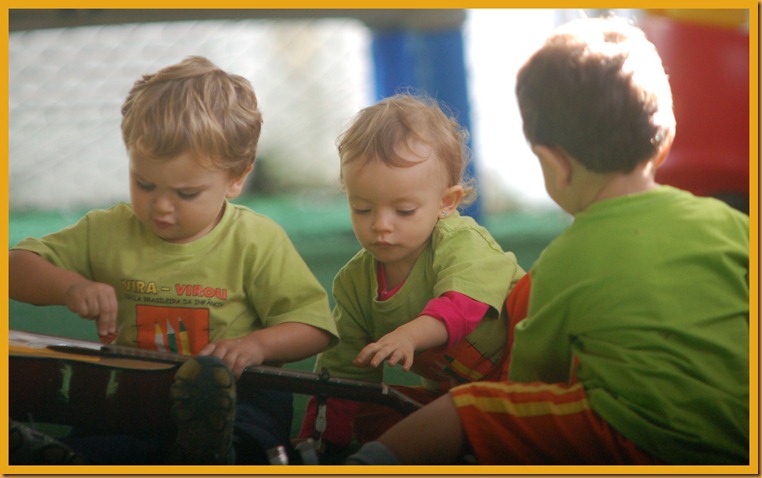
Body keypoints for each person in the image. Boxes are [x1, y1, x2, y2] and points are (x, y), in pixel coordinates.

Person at [345, 17, 750, 465]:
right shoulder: (728, 221)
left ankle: (367, 464)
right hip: (741, 432)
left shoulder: (567, 258)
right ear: (666, 140)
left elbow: (531, 379)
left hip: (635, 437)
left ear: (555, 165)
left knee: (468, 410)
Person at [8, 56, 339, 465]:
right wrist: (68, 286)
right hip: (131, 403)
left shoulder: (256, 240)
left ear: (236, 179)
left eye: (186, 194)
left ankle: (213, 454)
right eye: (144, 184)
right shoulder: (107, 230)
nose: (161, 207)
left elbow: (314, 327)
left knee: (249, 435)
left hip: (237, 401)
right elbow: (14, 267)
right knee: (108, 440)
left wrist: (256, 345)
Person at [298, 94, 525, 457]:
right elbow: (344, 373)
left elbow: (462, 306)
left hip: (528, 374)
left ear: (445, 203)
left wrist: (409, 335)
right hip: (455, 398)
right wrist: (320, 442)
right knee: (371, 412)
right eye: (362, 208)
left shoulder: (459, 240)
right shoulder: (355, 282)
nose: (380, 226)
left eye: (404, 210)